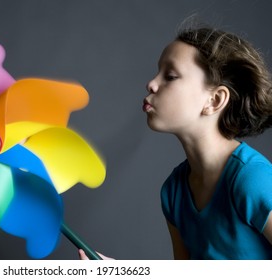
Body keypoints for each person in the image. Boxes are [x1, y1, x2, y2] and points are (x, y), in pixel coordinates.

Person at [80, 24, 272, 260]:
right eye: (157, 72)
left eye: (170, 76)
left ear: (215, 100)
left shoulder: (253, 180)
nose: (151, 83)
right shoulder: (174, 191)